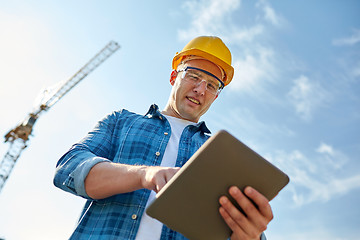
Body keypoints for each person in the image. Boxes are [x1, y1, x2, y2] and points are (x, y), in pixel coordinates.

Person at [54, 36, 273, 240]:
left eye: (212, 85)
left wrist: (250, 235)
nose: (200, 89)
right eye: (194, 76)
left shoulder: (222, 158)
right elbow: (69, 169)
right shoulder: (121, 122)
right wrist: (144, 175)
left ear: (216, 95)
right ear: (173, 77)